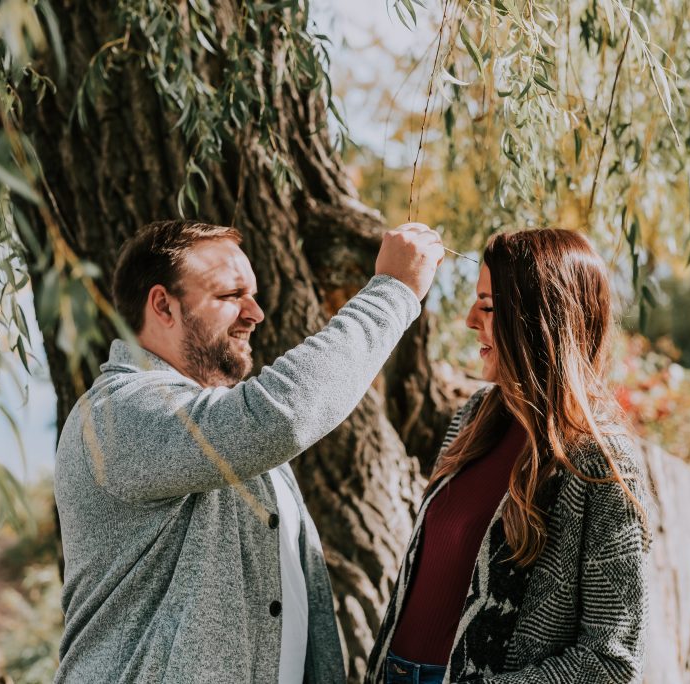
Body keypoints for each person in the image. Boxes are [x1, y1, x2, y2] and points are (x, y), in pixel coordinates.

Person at [53, 219, 444, 683]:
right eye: (231, 295)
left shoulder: (224, 431)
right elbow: (281, 415)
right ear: (163, 305)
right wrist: (394, 292)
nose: (255, 312)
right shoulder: (115, 415)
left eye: (253, 294)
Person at [366, 228, 652, 684]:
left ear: (540, 318)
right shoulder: (474, 416)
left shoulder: (600, 462)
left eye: (488, 306)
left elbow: (611, 661)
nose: (468, 320)